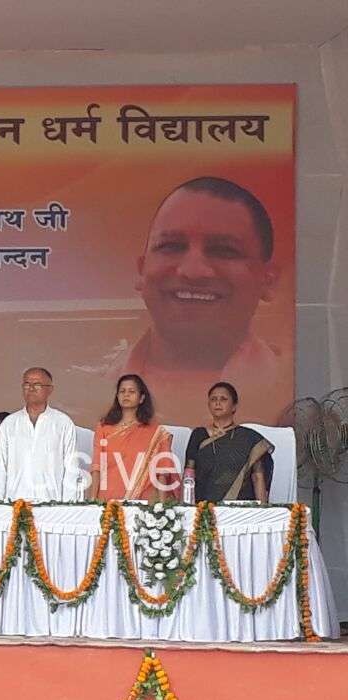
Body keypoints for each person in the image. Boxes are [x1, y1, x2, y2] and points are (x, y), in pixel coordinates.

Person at [114, 176, 289, 425]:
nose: (193, 271)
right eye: (172, 246)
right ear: (142, 271)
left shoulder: (286, 390)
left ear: (268, 280)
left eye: (223, 250)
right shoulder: (91, 387)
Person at [86, 374, 178, 502]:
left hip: (144, 502)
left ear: (141, 398)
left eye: (131, 391)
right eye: (122, 391)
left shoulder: (156, 432)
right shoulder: (104, 427)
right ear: (117, 396)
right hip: (108, 499)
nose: (126, 395)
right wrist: (92, 499)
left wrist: (162, 507)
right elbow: (97, 466)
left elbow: (162, 470)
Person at [0, 367, 79, 501]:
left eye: (37, 384)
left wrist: (67, 506)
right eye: (27, 384)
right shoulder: (9, 424)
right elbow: (0, 468)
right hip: (15, 504)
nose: (31, 388)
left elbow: (71, 468)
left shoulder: (63, 423)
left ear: (50, 389)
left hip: (52, 504)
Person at [185, 382, 273, 503]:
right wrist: (185, 508)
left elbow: (257, 476)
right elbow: (189, 473)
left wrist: (263, 510)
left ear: (234, 406)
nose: (217, 403)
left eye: (223, 399)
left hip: (240, 508)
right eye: (213, 399)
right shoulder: (199, 435)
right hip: (204, 509)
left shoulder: (248, 438)